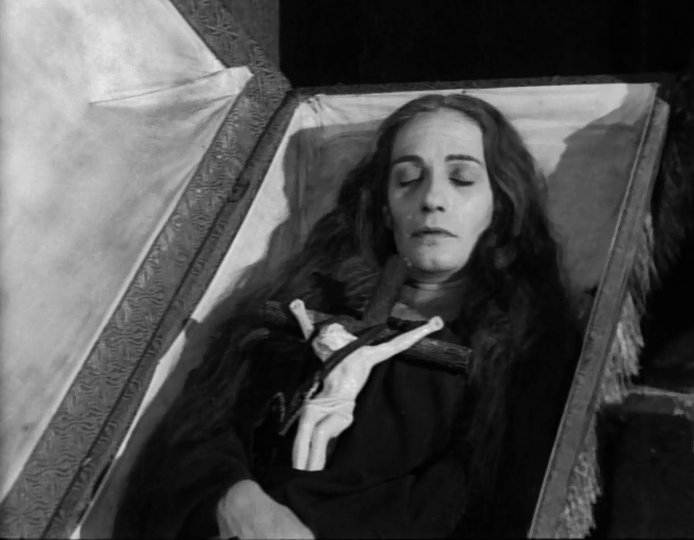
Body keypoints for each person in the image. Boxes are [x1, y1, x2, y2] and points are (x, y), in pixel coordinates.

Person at [114, 93, 580, 538]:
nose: (432, 199)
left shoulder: (527, 349)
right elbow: (193, 439)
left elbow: (477, 497)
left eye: (461, 178)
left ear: (500, 204)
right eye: (407, 179)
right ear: (385, 207)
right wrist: (237, 501)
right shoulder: (297, 312)